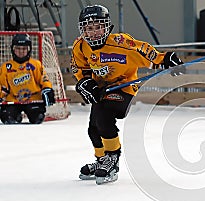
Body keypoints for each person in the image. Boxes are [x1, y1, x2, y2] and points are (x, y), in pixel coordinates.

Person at [71, 5, 184, 185]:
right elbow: (81, 69)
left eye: (98, 26)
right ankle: (101, 160)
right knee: (93, 128)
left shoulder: (122, 43)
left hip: (124, 89)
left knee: (103, 114)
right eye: (89, 28)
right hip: (102, 90)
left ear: (107, 26)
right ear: (82, 30)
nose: (93, 33)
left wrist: (165, 58)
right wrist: (86, 82)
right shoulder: (80, 47)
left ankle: (112, 159)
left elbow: (145, 51)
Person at [0, 33, 55, 124]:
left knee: (37, 118)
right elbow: (3, 86)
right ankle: (16, 116)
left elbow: (44, 80)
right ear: (13, 49)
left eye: (24, 49)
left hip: (33, 99)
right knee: (8, 118)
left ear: (29, 49)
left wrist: (47, 89)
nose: (21, 51)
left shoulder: (35, 64)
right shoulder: (6, 67)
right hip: (13, 100)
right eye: (18, 48)